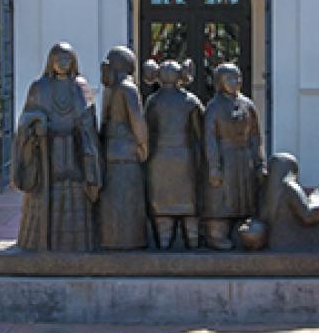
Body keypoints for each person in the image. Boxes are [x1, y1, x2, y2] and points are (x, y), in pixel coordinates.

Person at [11, 42, 101, 251]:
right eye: (59, 58)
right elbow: (26, 118)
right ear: (51, 61)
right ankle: (39, 243)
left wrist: (83, 131)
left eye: (68, 59)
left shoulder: (80, 86)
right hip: (46, 151)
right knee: (45, 193)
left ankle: (77, 244)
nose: (63, 63)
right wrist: (37, 120)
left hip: (73, 150)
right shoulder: (39, 87)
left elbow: (88, 119)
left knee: (74, 190)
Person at [200, 63, 265, 250]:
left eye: (238, 77)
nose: (236, 82)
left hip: (244, 158)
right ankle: (216, 235)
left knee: (244, 198)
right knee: (221, 200)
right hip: (224, 158)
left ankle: (243, 233)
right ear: (220, 82)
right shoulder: (214, 107)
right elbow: (210, 139)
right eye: (230, 78)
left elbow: (255, 136)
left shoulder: (248, 105)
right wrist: (214, 166)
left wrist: (260, 162)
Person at [143, 58, 204, 249]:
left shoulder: (152, 102)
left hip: (159, 157)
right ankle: (192, 242)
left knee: (162, 205)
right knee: (189, 204)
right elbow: (200, 132)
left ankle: (164, 243)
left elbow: (146, 131)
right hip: (183, 157)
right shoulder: (190, 101)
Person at [97, 46, 149, 249]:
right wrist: (143, 143)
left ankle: (111, 238)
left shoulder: (110, 89)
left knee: (113, 198)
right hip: (127, 151)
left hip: (111, 148)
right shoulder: (127, 88)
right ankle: (129, 240)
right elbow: (137, 120)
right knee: (128, 198)